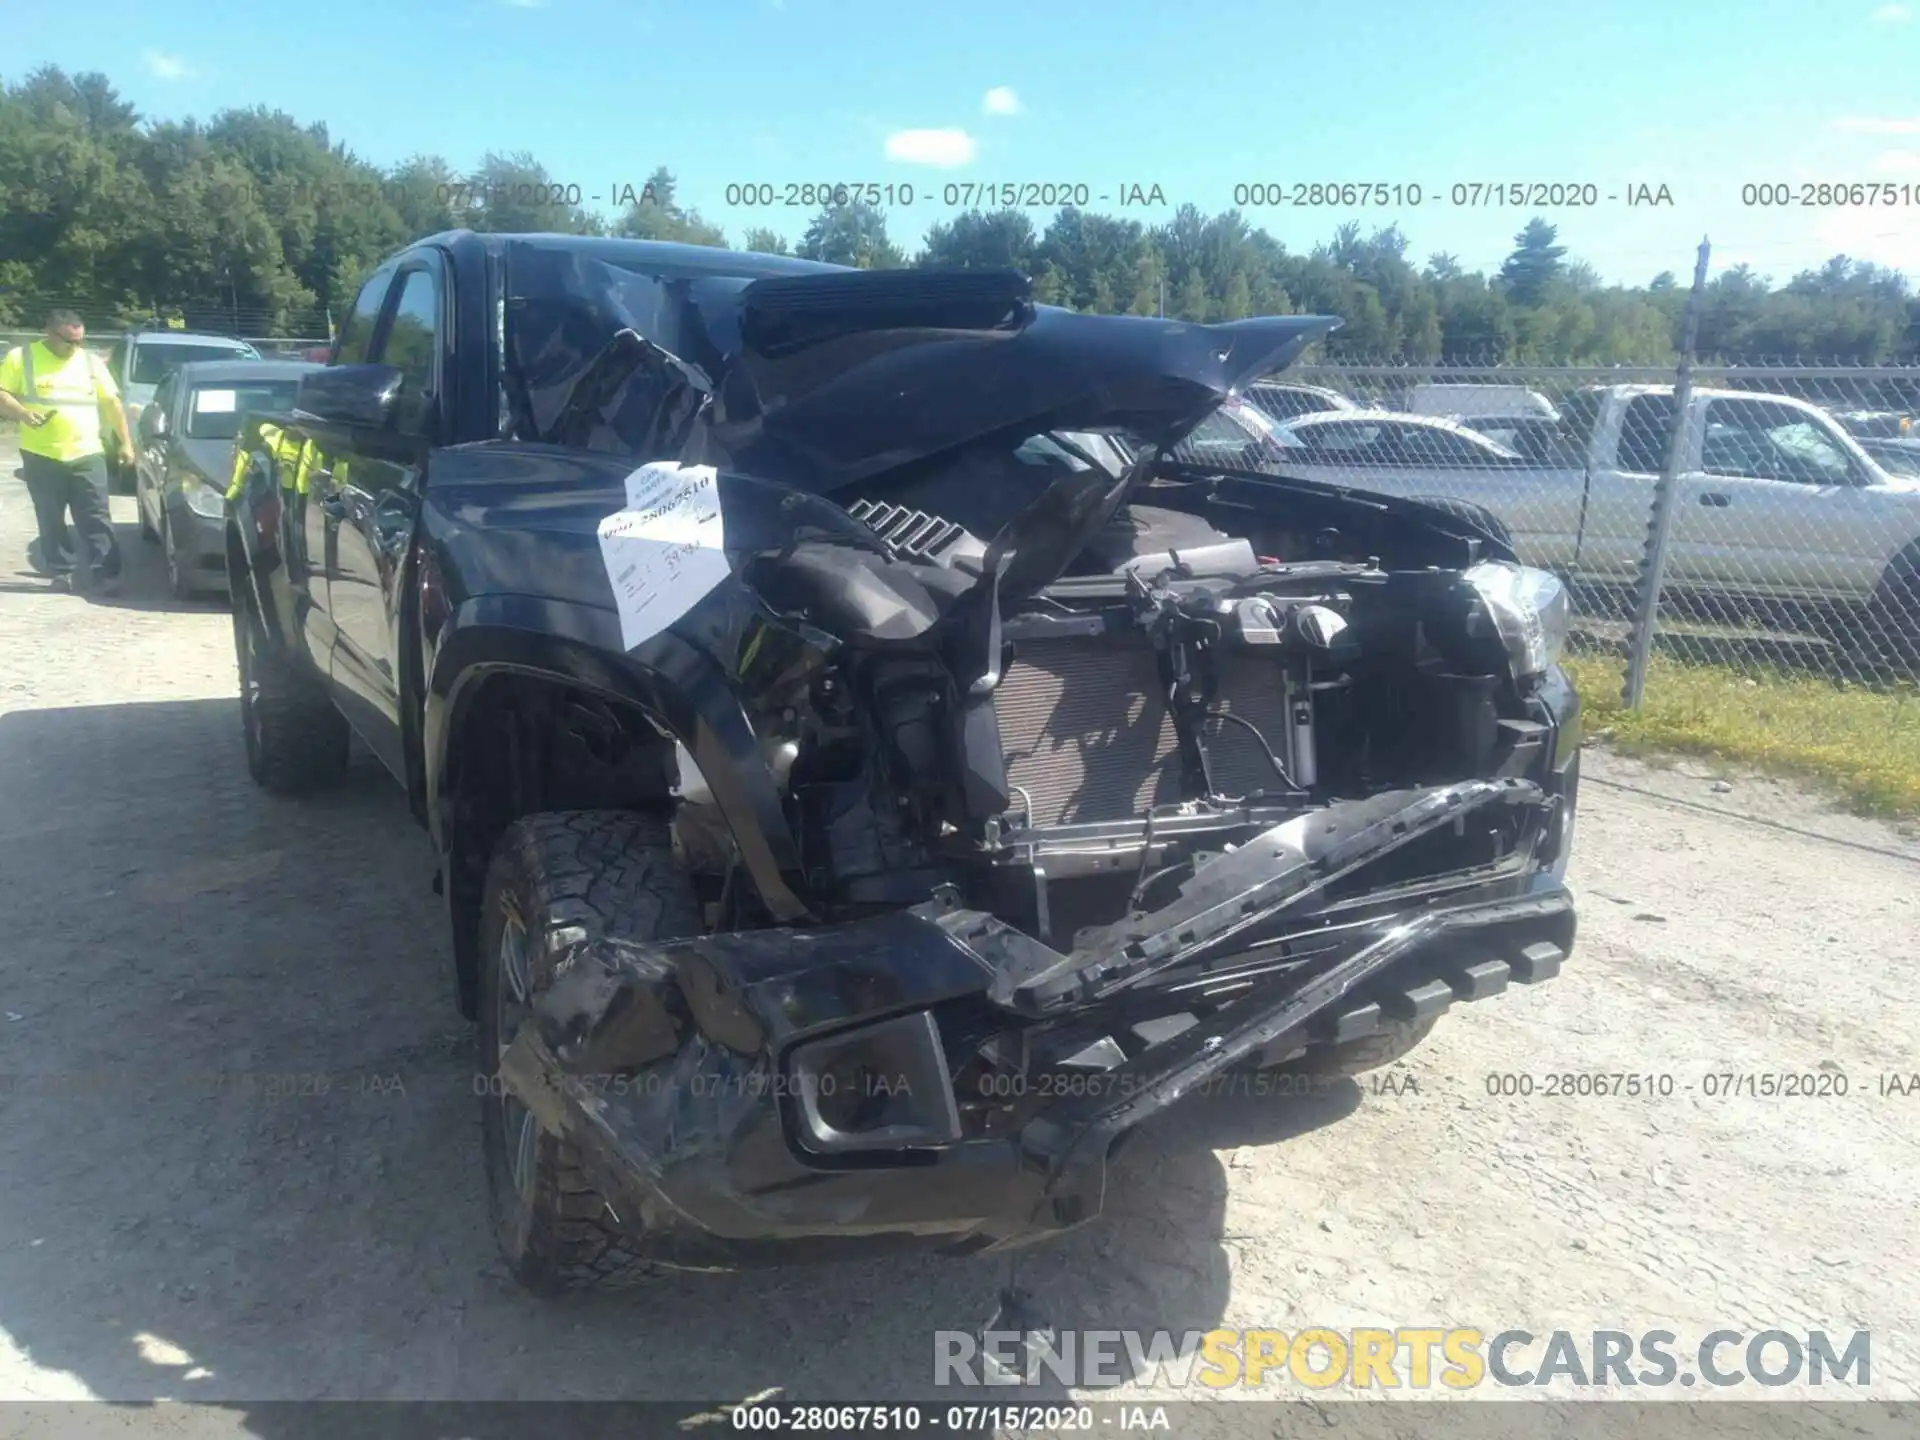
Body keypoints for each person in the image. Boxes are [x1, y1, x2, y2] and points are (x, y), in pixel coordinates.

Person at [0, 309, 132, 593]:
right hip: (41, 454)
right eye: (69, 341)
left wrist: (125, 443)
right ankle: (62, 571)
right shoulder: (21, 358)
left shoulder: (90, 363)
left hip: (87, 452)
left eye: (80, 340)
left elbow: (112, 403)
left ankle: (107, 574)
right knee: (50, 516)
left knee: (96, 514)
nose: (76, 347)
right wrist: (22, 413)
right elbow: (2, 392)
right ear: (49, 332)